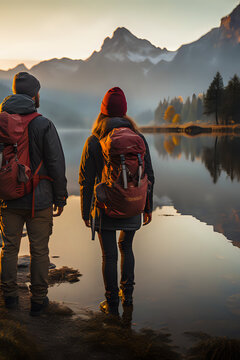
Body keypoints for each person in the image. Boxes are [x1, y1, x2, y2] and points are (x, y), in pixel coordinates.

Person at [0, 72, 68, 316]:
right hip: (38, 200)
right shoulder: (43, 123)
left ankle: (9, 298)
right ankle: (38, 301)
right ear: (34, 95)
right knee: (39, 250)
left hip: (7, 199)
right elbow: (56, 163)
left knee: (9, 248)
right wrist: (60, 197)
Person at [79, 87, 154, 316]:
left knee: (109, 255)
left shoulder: (94, 140)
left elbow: (85, 179)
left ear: (103, 112)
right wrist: (147, 206)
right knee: (127, 248)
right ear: (125, 112)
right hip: (133, 203)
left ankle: (111, 304)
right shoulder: (138, 138)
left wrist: (85, 212)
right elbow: (149, 174)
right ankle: (128, 297)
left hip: (105, 207)